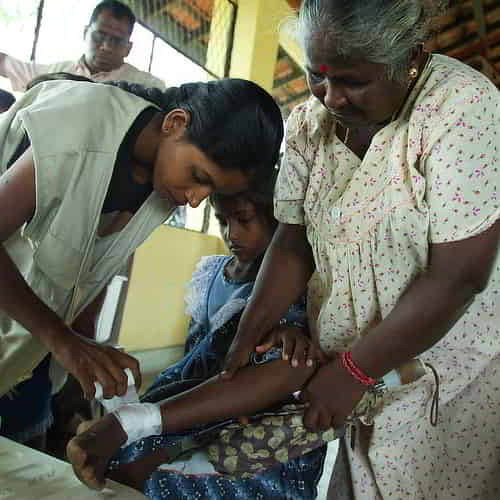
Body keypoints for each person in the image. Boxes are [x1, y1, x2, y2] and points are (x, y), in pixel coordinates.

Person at [221, 0, 500, 498]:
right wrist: (248, 334)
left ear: (410, 56)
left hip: (449, 372)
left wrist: (353, 371)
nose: (332, 97)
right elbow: (293, 237)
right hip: (354, 374)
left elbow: (458, 276)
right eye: (317, 76)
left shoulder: (460, 107)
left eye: (352, 81)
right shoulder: (309, 124)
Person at [0, 77, 284, 450]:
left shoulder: (161, 183)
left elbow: (95, 265)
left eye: (211, 191)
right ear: (175, 123)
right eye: (199, 177)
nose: (195, 200)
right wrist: (65, 342)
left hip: (28, 343)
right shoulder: (80, 126)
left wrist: (87, 349)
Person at [66, 176, 330, 499]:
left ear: (277, 222)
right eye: (222, 221)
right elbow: (197, 353)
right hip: (207, 394)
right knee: (151, 453)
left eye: (244, 220)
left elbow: (294, 364)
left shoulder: (293, 286)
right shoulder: (213, 274)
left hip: (256, 423)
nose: (232, 234)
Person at [0, 0, 165, 92]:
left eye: (117, 41)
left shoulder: (147, 86)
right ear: (85, 33)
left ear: (128, 48)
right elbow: (9, 65)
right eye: (100, 35)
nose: (106, 46)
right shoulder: (56, 73)